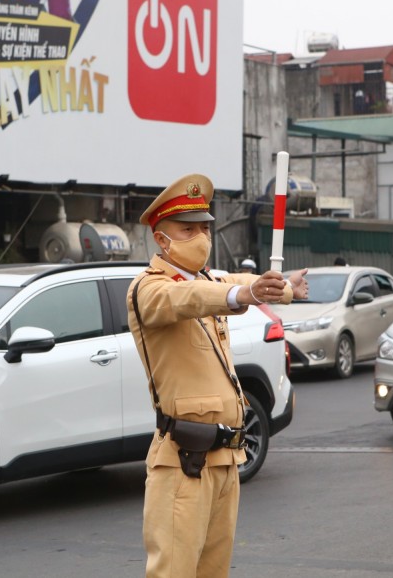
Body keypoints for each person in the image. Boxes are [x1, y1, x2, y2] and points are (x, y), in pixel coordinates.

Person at [126, 173, 308, 578]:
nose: (201, 237)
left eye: (204, 227)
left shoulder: (208, 280)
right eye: (187, 229)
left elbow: (242, 282)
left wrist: (284, 287)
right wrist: (245, 295)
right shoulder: (149, 289)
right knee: (173, 572)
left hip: (225, 458)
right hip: (183, 462)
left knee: (214, 572)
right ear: (161, 240)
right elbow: (192, 298)